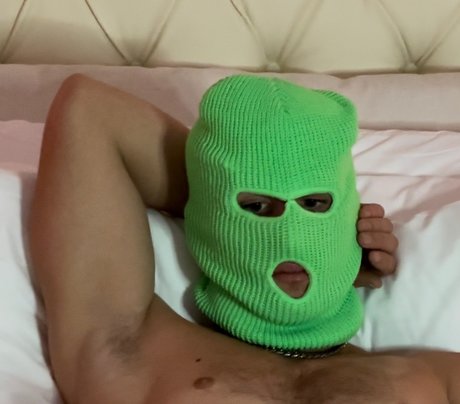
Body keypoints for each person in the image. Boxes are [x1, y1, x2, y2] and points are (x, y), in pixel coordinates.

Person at [28, 73, 458, 404]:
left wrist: (335, 245)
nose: (289, 233)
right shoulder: (128, 348)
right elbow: (88, 110)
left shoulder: (433, 377)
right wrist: (214, 199)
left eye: (314, 205)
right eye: (254, 207)